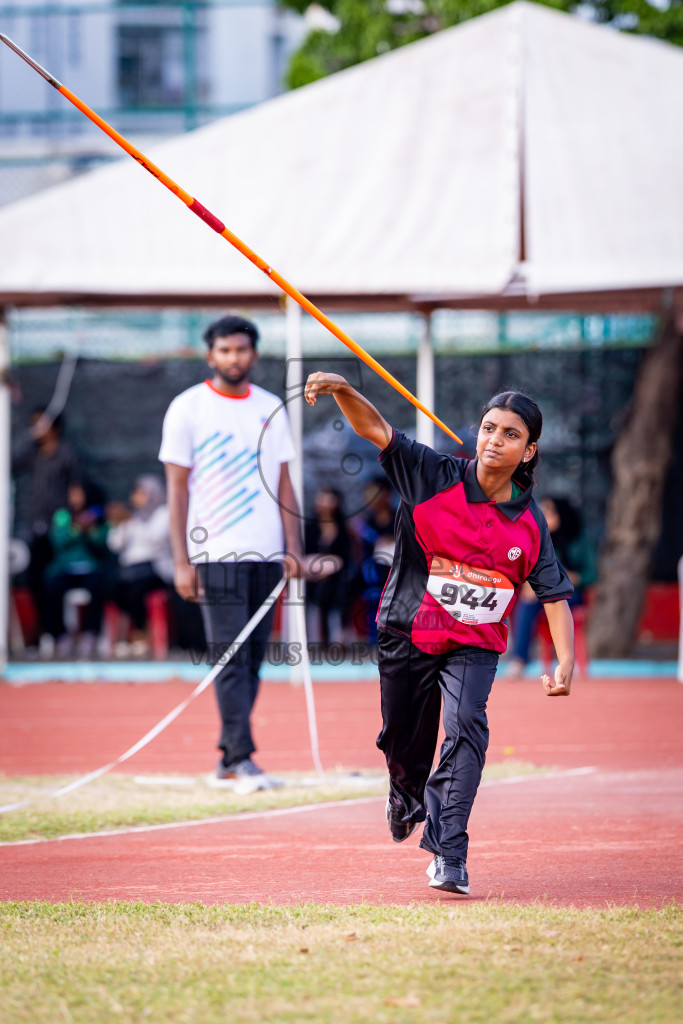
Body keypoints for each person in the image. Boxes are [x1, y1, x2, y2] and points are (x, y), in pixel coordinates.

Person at [304, 373, 574, 895]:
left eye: (510, 434)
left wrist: (564, 663)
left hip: (475, 642)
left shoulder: (528, 522)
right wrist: (343, 390)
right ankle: (404, 792)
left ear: (529, 450)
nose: (494, 439)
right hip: (407, 629)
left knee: (466, 726)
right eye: (489, 428)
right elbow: (377, 430)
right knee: (404, 740)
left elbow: (554, 592)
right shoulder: (433, 473)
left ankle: (450, 853)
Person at [160, 314, 302, 785]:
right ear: (210, 355)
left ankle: (230, 755)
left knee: (254, 659)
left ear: (253, 355)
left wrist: (295, 547)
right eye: (225, 350)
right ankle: (240, 753)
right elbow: (176, 490)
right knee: (230, 656)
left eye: (241, 349)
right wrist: (181, 561)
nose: (234, 358)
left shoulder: (271, 408)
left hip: (266, 554)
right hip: (215, 554)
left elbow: (284, 484)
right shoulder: (188, 408)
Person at [11, 409, 81, 652]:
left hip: (59, 531)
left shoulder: (66, 455)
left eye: (41, 424)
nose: (37, 428)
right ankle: (46, 632)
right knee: (34, 582)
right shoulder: (34, 453)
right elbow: (9, 461)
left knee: (55, 581)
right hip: (36, 529)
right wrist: (29, 437)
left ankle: (61, 633)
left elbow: (76, 493)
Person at [508, 496, 596, 676]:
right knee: (527, 602)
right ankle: (519, 659)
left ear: (562, 514)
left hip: (572, 595)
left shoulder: (579, 539)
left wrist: (573, 578)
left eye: (549, 512)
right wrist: (529, 584)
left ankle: (565, 661)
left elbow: (592, 574)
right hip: (542, 594)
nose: (544, 516)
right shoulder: (536, 538)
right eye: (542, 512)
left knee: (547, 599)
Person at [106, 475, 173, 657]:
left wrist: (132, 522)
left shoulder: (163, 513)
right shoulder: (131, 517)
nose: (137, 498)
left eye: (142, 493)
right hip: (130, 570)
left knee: (137, 588)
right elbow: (115, 545)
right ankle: (130, 635)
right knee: (113, 587)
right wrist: (118, 525)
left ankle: (140, 633)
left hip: (155, 569)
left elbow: (156, 540)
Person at [43, 480, 109, 658]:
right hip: (66, 569)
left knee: (99, 587)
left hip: (90, 569)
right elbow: (58, 541)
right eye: (73, 494)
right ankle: (60, 634)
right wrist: (76, 529)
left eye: (79, 494)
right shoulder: (62, 516)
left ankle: (91, 633)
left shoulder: (96, 515)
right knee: (52, 587)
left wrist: (90, 530)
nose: (76, 498)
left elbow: (103, 543)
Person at [304, 487, 351, 647]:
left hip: (337, 577)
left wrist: (333, 566)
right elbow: (305, 553)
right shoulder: (310, 528)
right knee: (311, 595)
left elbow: (347, 556)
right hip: (312, 575)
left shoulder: (343, 528)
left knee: (340, 592)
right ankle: (312, 639)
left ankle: (338, 639)